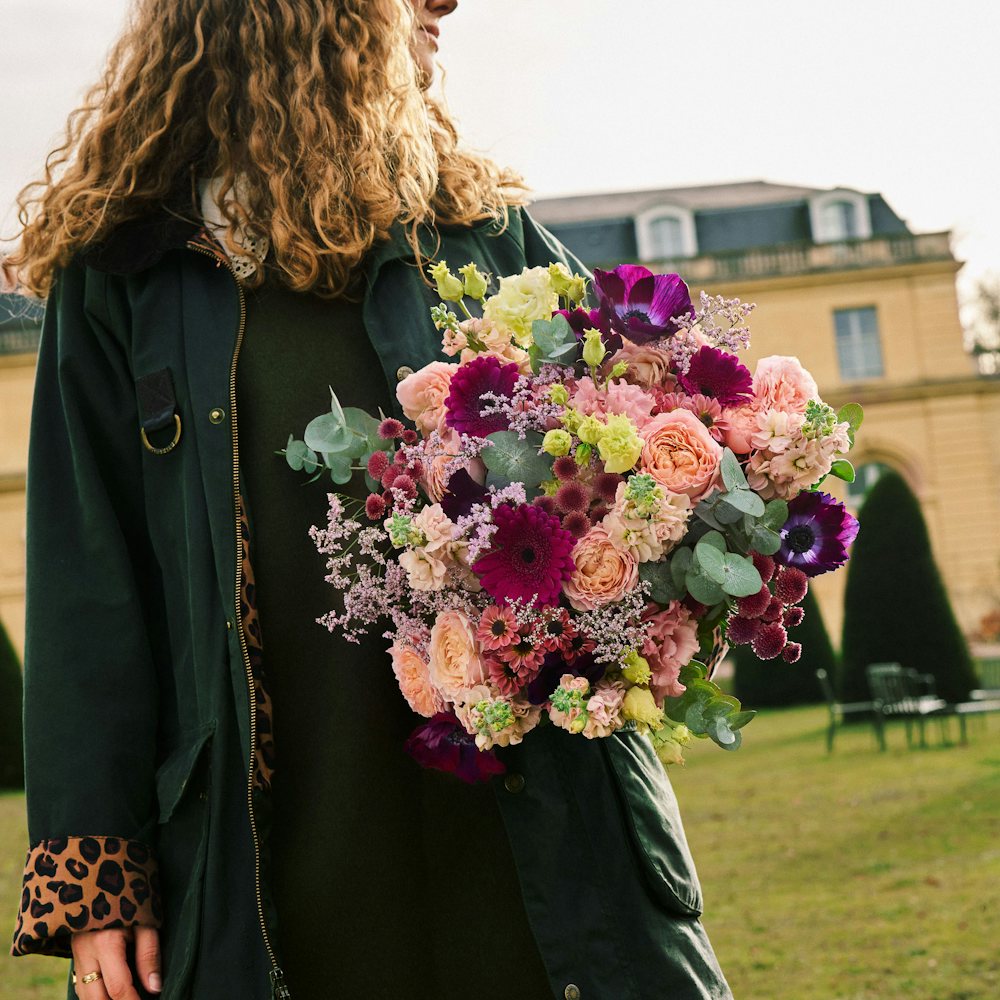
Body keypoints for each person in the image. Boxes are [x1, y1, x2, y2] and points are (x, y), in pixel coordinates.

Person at [6, 1, 734, 998]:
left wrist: (720, 499)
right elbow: (86, 583)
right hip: (278, 860)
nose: (445, 4)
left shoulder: (482, 235)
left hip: (534, 843)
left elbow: (649, 435)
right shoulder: (124, 273)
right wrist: (96, 877)